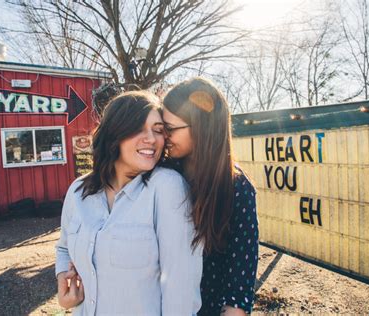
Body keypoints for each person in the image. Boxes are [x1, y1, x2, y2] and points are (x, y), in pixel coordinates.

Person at [55, 91, 202, 316]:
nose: (151, 138)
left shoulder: (166, 188)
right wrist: (63, 283)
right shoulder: (78, 191)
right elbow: (64, 247)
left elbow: (180, 289)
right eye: (138, 128)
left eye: (158, 130)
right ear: (115, 133)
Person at [162, 77, 259, 316]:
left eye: (170, 129)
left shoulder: (237, 188)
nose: (163, 136)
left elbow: (241, 273)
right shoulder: (162, 175)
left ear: (201, 128)